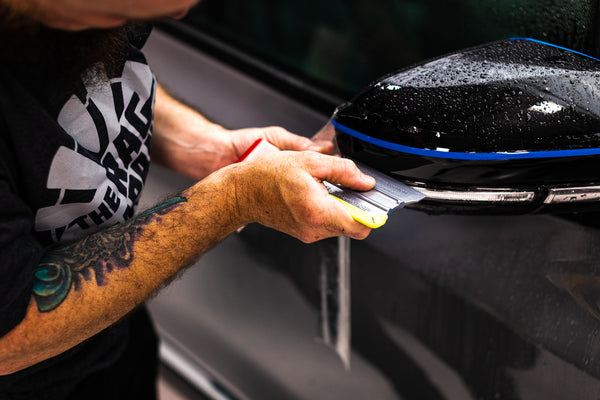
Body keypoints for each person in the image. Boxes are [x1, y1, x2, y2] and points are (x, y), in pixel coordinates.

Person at [0, 0, 375, 398]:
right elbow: (8, 329)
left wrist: (204, 144)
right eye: (121, 12)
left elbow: (89, 79)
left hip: (113, 348)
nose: (178, 16)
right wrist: (232, 199)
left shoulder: (59, 16)